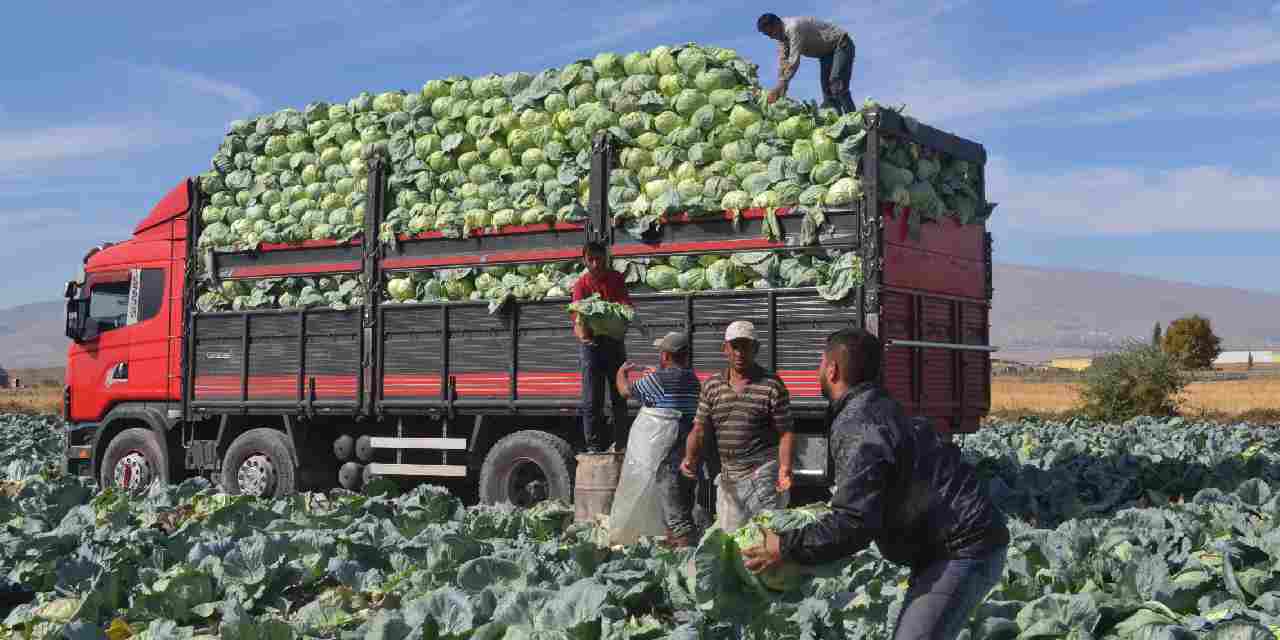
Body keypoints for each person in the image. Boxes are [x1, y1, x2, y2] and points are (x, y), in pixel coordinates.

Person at [742, 328, 1010, 639]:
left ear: (832, 369)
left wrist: (786, 546)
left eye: (820, 363)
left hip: (963, 548)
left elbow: (856, 522)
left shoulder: (859, 424)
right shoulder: (875, 406)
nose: (819, 370)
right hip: (948, 544)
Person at [680, 320, 794, 531]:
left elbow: (785, 432)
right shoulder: (712, 385)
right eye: (735, 346)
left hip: (762, 472)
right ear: (725, 349)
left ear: (756, 349)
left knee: (765, 534)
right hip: (730, 474)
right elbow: (699, 428)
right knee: (731, 537)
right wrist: (690, 458)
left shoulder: (771, 384)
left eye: (746, 347)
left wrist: (785, 469)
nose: (740, 353)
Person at [615, 331, 702, 547]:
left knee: (675, 514)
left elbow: (625, 392)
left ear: (665, 355)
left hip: (667, 455)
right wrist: (656, 376)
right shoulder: (693, 380)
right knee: (684, 505)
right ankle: (677, 551)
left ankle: (686, 558)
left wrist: (621, 372)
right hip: (689, 452)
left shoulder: (658, 380)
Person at [571, 241, 634, 453]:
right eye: (591, 260)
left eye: (599, 259)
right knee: (592, 400)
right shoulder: (581, 284)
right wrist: (583, 335)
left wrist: (620, 319)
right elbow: (578, 317)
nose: (596, 264)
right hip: (592, 345)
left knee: (619, 397)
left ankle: (623, 444)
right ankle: (593, 446)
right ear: (585, 260)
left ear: (605, 258)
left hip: (614, 343)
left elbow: (626, 307)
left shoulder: (616, 279)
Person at [756, 13, 856, 114]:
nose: (771, 37)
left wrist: (779, 86)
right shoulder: (781, 37)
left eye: (770, 33)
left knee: (836, 83)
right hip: (826, 54)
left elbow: (793, 61)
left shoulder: (793, 27)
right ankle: (839, 121)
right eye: (768, 35)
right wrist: (782, 88)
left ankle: (852, 117)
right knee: (828, 93)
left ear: (776, 24)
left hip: (840, 44)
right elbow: (783, 62)